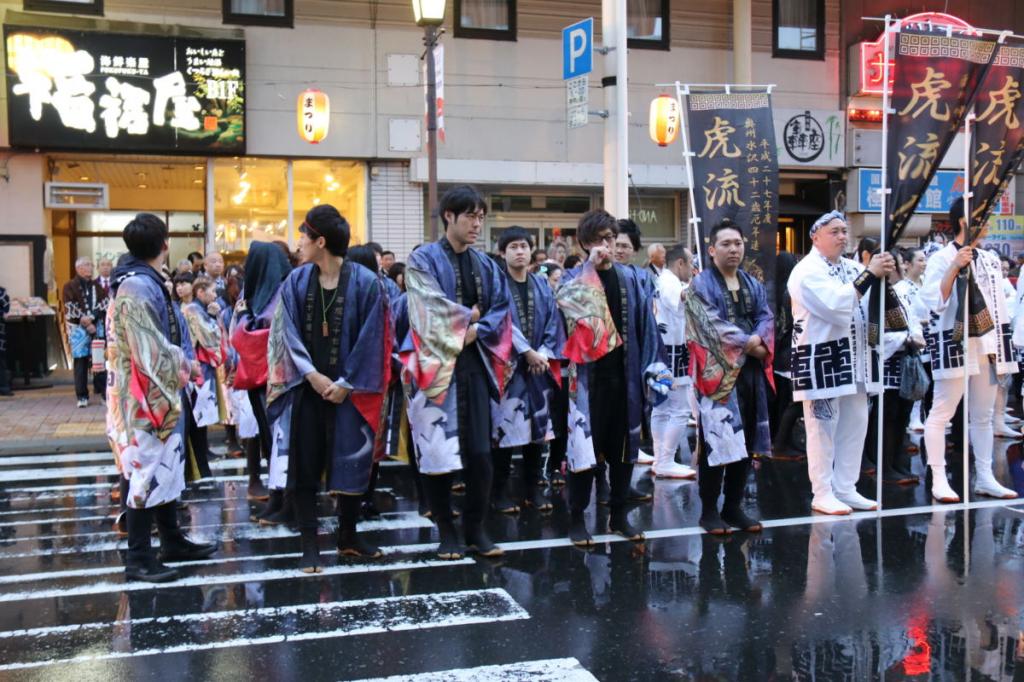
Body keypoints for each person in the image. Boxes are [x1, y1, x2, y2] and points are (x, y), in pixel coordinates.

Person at [267, 205, 391, 572]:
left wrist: (346, 382)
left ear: (320, 241)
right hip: (308, 389)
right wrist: (310, 375)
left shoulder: (368, 283)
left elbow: (375, 338)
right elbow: (285, 332)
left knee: (352, 462)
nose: (299, 243)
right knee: (304, 466)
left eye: (303, 235)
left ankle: (348, 536)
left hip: (350, 392)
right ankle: (309, 543)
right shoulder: (296, 281)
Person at [400, 185, 515, 560]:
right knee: (438, 452)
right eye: (470, 216)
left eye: (481, 217)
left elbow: (501, 307)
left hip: (475, 364)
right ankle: (446, 531)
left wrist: (475, 330)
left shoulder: (485, 264)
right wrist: (472, 317)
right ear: (448, 216)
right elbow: (425, 307)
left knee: (481, 454)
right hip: (433, 368)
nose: (477, 224)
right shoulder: (423, 259)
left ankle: (475, 528)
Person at [107, 213, 216, 582]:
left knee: (164, 469)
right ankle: (138, 557)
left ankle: (171, 540)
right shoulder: (139, 286)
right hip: (144, 396)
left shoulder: (138, 282)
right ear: (165, 244)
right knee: (145, 473)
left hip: (151, 390)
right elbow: (148, 349)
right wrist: (187, 364)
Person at [556, 209, 670, 547]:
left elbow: (646, 327)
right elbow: (568, 311)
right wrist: (589, 269)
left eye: (610, 238)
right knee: (583, 452)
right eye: (598, 240)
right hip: (587, 381)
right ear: (584, 243)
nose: (606, 245)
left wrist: (653, 367)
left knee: (624, 453)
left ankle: (619, 515)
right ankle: (577, 517)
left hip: (626, 377)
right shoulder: (572, 279)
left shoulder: (633, 278)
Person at [788, 211, 895, 515]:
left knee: (856, 424)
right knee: (822, 428)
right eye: (834, 231)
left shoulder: (850, 267)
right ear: (815, 236)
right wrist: (870, 274)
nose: (842, 237)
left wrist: (882, 272)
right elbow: (836, 305)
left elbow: (873, 296)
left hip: (857, 359)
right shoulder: (806, 270)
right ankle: (822, 492)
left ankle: (846, 487)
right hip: (822, 358)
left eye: (844, 231)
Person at [919, 197, 1018, 502]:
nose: (987, 221)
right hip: (954, 340)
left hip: (987, 343)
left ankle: (985, 477)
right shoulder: (941, 257)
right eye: (982, 216)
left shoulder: (988, 258)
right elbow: (933, 302)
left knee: (984, 415)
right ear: (964, 221)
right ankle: (938, 477)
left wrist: (1003, 347)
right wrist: (953, 267)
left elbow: (1001, 306)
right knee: (942, 412)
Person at [685, 220, 773, 533]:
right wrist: (751, 343)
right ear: (711, 250)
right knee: (718, 441)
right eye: (726, 244)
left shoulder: (752, 283)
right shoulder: (701, 285)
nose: (734, 249)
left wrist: (760, 341)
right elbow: (708, 326)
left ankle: (733, 507)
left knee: (746, 441)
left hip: (749, 374)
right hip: (717, 376)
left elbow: (766, 316)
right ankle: (709, 510)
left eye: (738, 243)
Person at [491, 227, 565, 514]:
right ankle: (499, 492)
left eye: (524, 246)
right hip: (508, 369)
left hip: (538, 370)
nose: (520, 251)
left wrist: (543, 354)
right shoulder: (497, 285)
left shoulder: (541, 285)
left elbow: (553, 324)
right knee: (505, 433)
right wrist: (526, 351)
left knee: (538, 432)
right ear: (502, 253)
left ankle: (531, 489)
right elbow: (499, 323)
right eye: (513, 247)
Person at [234, 241, 293, 523]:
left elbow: (254, 331)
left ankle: (286, 499)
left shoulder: (283, 291)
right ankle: (278, 495)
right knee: (271, 440)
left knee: (281, 439)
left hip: (280, 378)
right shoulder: (256, 291)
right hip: (260, 378)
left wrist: (246, 319)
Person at [649, 243, 697, 480]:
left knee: (661, 407)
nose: (693, 268)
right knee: (679, 409)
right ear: (680, 263)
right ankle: (665, 460)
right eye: (691, 263)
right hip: (673, 352)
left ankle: (661, 459)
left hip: (662, 349)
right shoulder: (670, 282)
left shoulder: (661, 279)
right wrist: (702, 287)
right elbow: (680, 297)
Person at [63, 257, 109, 408]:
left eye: (91, 265)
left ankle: (104, 393)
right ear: (78, 268)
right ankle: (82, 395)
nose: (90, 267)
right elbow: (70, 307)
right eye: (87, 265)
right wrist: (86, 321)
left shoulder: (97, 286)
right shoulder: (69, 286)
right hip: (78, 329)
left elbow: (104, 303)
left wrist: (92, 318)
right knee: (80, 362)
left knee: (100, 361)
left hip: (96, 327)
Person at [771, 252, 801, 456]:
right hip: (790, 352)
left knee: (784, 402)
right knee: (793, 402)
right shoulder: (790, 292)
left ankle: (783, 441)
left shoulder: (774, 290)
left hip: (779, 353)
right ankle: (782, 443)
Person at [896, 247, 929, 432]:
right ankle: (914, 417)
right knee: (916, 378)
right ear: (907, 264)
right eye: (920, 260)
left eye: (925, 260)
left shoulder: (925, 283)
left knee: (928, 380)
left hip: (929, 338)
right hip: (913, 338)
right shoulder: (902, 288)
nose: (924, 264)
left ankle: (924, 415)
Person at [0, 286, 11, 397]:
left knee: (1, 362)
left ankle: (4, 387)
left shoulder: (2, 293)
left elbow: (6, 309)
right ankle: (4, 388)